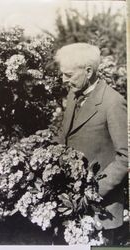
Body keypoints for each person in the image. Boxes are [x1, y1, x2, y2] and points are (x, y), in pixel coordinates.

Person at [54, 43, 128, 244]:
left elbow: (126, 157)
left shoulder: (113, 103)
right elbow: (66, 137)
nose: (63, 80)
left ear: (88, 71)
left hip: (100, 210)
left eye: (68, 75)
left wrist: (93, 192)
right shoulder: (73, 94)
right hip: (69, 202)